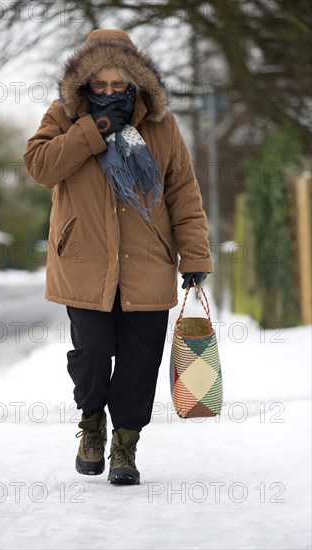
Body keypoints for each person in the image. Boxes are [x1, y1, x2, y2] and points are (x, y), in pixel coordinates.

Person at [23, 28, 214, 486]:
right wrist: (95, 128)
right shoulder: (65, 117)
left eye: (118, 84)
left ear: (135, 79)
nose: (109, 92)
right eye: (99, 85)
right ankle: (91, 426)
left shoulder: (162, 126)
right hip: (84, 264)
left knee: (139, 361)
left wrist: (194, 254)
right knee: (92, 353)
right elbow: (40, 166)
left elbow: (183, 192)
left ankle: (124, 447)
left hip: (147, 264)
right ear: (84, 83)